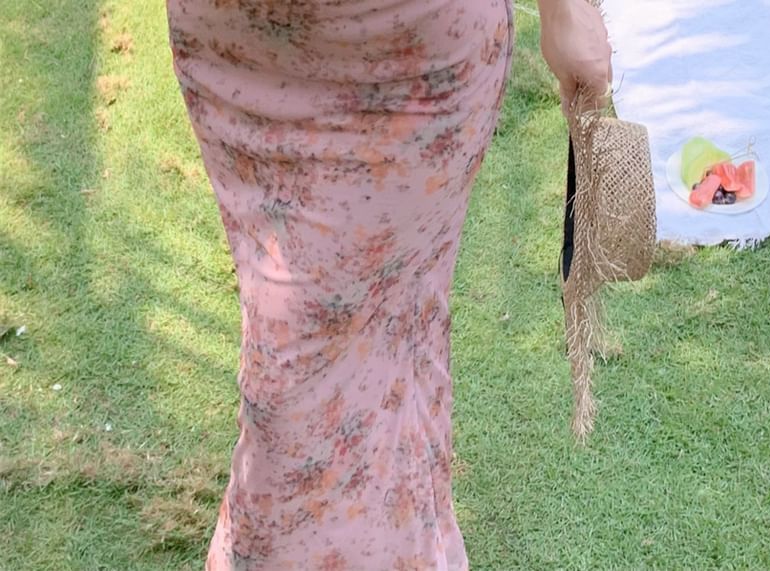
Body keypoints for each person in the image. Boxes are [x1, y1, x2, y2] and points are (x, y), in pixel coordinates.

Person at [165, 0, 612, 568]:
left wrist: (564, 11)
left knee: (330, 365)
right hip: (236, 54)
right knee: (379, 345)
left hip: (401, 50)